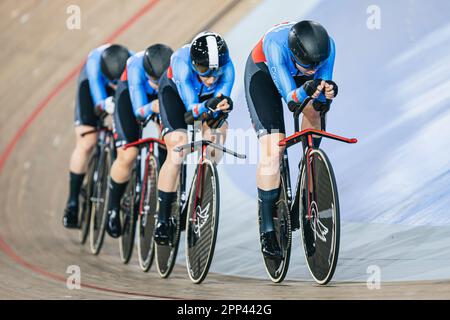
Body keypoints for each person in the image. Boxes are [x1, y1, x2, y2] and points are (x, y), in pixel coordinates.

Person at [244, 20, 338, 259]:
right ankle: (267, 228)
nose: (314, 68)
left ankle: (308, 164)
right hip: (264, 74)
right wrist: (311, 87)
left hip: (297, 79)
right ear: (296, 54)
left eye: (317, 65)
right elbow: (293, 100)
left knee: (315, 112)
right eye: (309, 65)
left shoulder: (328, 48)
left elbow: (319, 101)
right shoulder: (276, 47)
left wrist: (326, 94)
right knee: (273, 148)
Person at [154, 31, 235, 245]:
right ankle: (162, 219)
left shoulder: (228, 69)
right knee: (178, 148)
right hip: (176, 95)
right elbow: (191, 112)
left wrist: (220, 110)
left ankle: (200, 184)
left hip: (204, 101)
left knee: (216, 139)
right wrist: (210, 106)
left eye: (215, 73)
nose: (210, 78)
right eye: (203, 71)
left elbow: (220, 104)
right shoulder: (181, 63)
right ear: (193, 64)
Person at [105, 44, 174, 238]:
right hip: (130, 97)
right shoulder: (135, 67)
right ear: (146, 73)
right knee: (128, 154)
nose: (156, 83)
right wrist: (152, 107)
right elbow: (139, 111)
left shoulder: (173, 69)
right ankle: (113, 208)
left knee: (171, 142)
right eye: (153, 80)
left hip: (160, 98)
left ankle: (165, 189)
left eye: (160, 80)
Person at [63, 44, 132, 228]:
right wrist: (104, 105)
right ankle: (72, 204)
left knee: (127, 144)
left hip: (122, 83)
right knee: (87, 141)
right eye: (113, 83)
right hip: (92, 85)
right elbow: (99, 100)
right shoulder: (93, 67)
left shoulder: (131, 63)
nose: (115, 85)